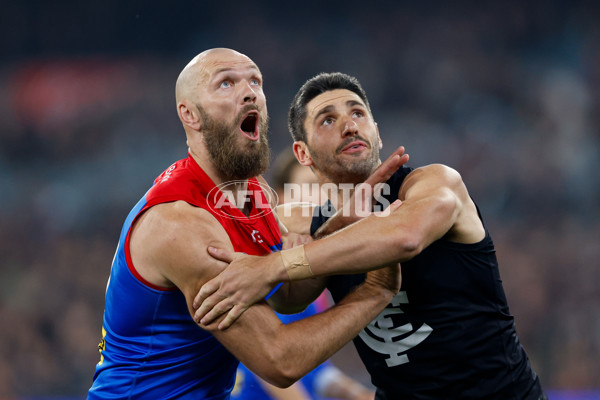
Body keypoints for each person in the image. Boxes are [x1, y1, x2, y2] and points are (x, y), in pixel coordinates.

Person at [193, 72, 547, 399]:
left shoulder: (435, 184)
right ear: (303, 153)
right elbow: (290, 300)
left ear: (377, 132)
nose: (349, 125)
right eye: (328, 120)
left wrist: (274, 266)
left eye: (358, 113)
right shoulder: (312, 222)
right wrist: (317, 238)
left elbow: (404, 238)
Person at [87, 51, 404, 399]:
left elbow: (285, 297)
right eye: (226, 83)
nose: (250, 92)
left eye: (255, 81)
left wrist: (338, 226)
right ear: (190, 114)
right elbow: (279, 360)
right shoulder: (181, 224)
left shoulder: (251, 190)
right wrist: (375, 293)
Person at [231, 150, 375, 400]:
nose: (320, 197)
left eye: (326, 188)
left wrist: (361, 395)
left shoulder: (311, 267)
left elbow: (316, 372)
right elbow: (262, 360)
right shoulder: (264, 260)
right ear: (282, 198)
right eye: (308, 187)